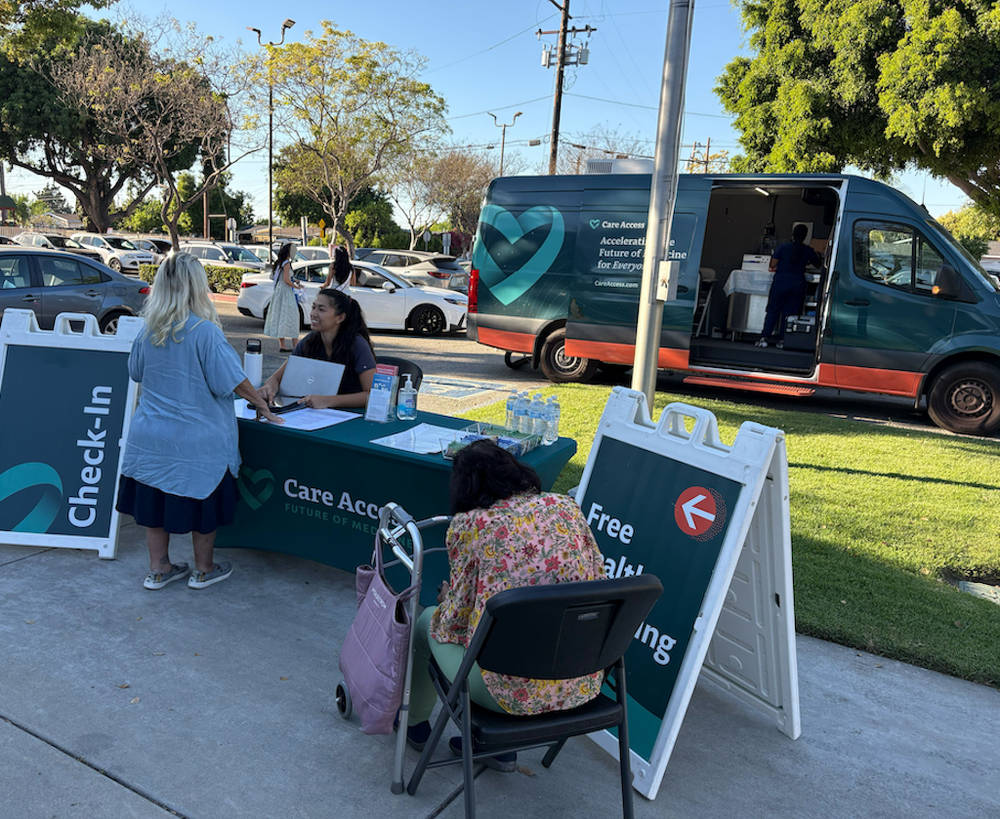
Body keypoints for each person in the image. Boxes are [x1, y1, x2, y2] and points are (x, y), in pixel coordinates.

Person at [405, 440, 607, 771]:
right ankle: (497, 747)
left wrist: (446, 601)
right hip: (581, 680)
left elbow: (455, 623)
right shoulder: (567, 508)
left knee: (426, 624)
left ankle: (415, 727)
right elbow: (598, 581)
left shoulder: (472, 526)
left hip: (510, 693)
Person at [115, 253, 282, 591]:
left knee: (155, 499)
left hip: (149, 436)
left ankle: (159, 568)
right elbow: (232, 379)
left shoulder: (148, 330)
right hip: (197, 439)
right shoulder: (203, 331)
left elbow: (134, 373)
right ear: (197, 286)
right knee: (201, 502)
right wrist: (262, 406)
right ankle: (204, 569)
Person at [257, 288, 376, 409]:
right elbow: (276, 378)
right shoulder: (309, 341)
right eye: (313, 307)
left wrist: (329, 401)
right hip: (312, 414)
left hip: (350, 417)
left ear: (340, 318)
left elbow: (372, 395)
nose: (313, 313)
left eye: (321, 309)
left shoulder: (357, 345)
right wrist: (269, 388)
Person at [756, 223, 823, 348]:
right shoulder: (808, 250)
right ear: (805, 236)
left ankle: (764, 338)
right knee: (790, 314)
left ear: (793, 234)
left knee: (773, 311)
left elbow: (772, 264)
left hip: (781, 281)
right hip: (798, 282)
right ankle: (783, 340)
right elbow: (818, 264)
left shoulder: (783, 247)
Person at [263, 242, 304, 353]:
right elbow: (286, 280)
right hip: (286, 291)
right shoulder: (287, 264)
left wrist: (293, 280)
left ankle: (282, 344)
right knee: (293, 315)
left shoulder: (279, 263)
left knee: (281, 315)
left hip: (278, 291)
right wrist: (296, 286)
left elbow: (279, 277)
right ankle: (295, 345)